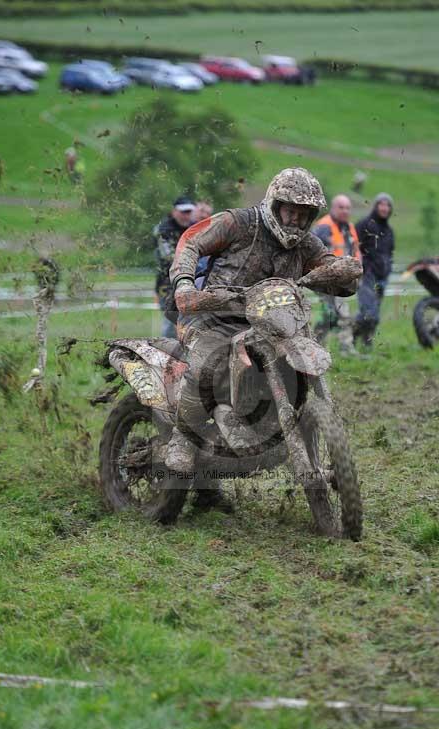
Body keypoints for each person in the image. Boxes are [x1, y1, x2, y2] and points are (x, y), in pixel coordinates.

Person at [165, 168, 362, 492]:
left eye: (303, 215)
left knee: (303, 354)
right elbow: (191, 241)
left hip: (274, 324)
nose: (294, 221)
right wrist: (184, 283)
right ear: (275, 205)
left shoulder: (306, 245)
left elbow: (332, 268)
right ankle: (183, 440)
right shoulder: (239, 223)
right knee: (206, 364)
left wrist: (342, 273)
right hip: (214, 317)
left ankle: (291, 429)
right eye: (290, 212)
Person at [312, 193, 361, 355]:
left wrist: (358, 270)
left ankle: (343, 347)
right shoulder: (322, 227)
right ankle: (318, 347)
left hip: (343, 280)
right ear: (333, 208)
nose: (345, 211)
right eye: (341, 207)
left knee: (340, 314)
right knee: (332, 315)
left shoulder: (349, 227)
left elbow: (355, 251)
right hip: (324, 279)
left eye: (347, 208)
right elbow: (310, 253)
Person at [354, 192, 395, 347]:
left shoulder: (389, 231)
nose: (384, 208)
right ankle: (351, 334)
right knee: (368, 312)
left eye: (388, 205)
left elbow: (390, 253)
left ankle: (366, 341)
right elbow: (353, 246)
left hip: (382, 277)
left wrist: (388, 268)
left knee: (374, 315)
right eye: (381, 204)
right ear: (376, 206)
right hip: (366, 275)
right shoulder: (364, 224)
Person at [153, 195, 196, 338]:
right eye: (183, 212)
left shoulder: (195, 228)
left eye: (188, 212)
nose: (186, 215)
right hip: (167, 284)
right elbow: (169, 257)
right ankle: (168, 354)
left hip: (192, 281)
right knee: (170, 323)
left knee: (192, 323)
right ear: (174, 212)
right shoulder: (163, 230)